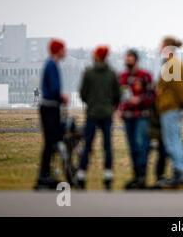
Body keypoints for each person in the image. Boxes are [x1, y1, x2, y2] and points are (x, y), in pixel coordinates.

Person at [155, 37, 183, 188]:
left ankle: (181, 171)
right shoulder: (170, 64)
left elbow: (180, 89)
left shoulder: (173, 65)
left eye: (161, 45)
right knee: (173, 142)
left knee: (173, 142)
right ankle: (179, 171)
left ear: (168, 47)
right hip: (168, 109)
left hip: (171, 109)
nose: (159, 48)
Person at [76, 46, 120, 190]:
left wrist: (90, 103)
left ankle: (81, 174)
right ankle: (108, 175)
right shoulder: (112, 74)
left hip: (92, 114)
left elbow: (82, 94)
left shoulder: (88, 73)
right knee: (107, 146)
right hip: (107, 114)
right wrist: (110, 105)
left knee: (88, 145)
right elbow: (117, 95)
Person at [119, 49, 155, 189]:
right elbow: (119, 97)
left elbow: (152, 96)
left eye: (130, 59)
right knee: (132, 147)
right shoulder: (122, 77)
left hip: (142, 116)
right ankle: (136, 176)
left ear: (136, 60)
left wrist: (140, 100)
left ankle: (142, 177)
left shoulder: (145, 76)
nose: (128, 62)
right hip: (128, 117)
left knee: (141, 145)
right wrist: (119, 109)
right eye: (126, 60)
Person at [34, 39, 68, 190]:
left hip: (49, 107)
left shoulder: (50, 64)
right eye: (63, 49)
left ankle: (45, 173)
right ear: (57, 50)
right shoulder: (52, 65)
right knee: (50, 141)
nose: (65, 51)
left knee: (50, 142)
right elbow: (54, 89)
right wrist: (62, 97)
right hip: (50, 108)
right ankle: (44, 175)